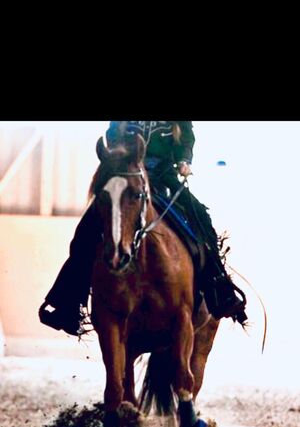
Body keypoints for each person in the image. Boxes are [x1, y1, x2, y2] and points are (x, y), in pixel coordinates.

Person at [39, 121, 247, 336]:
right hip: (126, 171)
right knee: (85, 231)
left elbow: (186, 136)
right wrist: (119, 155)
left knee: (201, 220)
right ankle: (68, 303)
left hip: (162, 173)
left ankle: (220, 290)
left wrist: (184, 160)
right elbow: (112, 132)